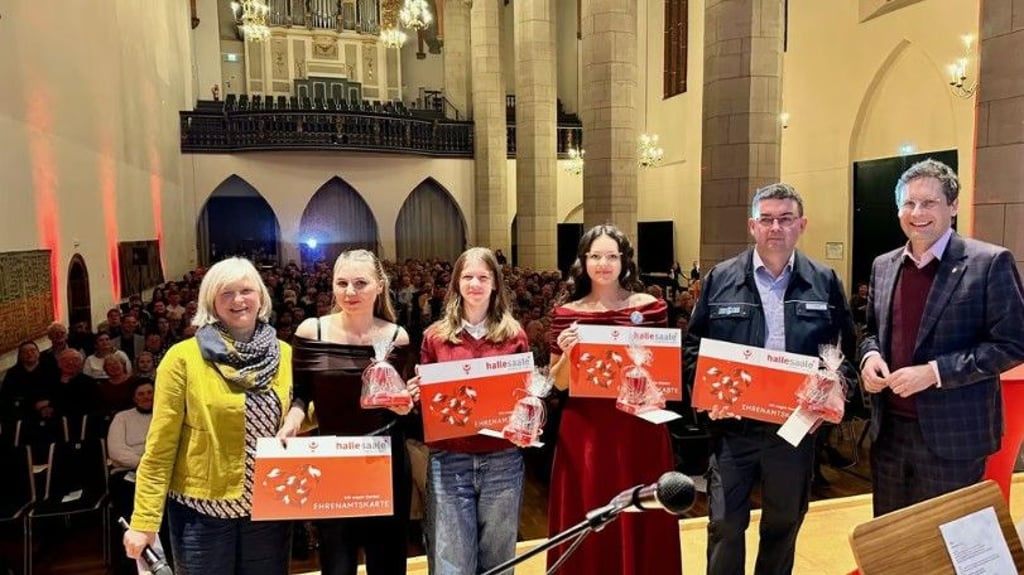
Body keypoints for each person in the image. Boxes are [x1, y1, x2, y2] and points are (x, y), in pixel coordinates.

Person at [683, 183, 857, 575]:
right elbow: (693, 347)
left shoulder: (825, 280)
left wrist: (837, 387)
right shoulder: (720, 278)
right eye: (766, 219)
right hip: (733, 428)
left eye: (785, 219)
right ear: (752, 226)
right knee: (725, 524)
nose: (775, 227)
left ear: (802, 225)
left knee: (784, 523)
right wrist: (706, 395)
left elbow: (846, 351)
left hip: (794, 428)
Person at [858, 159, 1024, 516]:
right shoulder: (883, 266)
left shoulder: (989, 262)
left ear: (953, 206)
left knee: (945, 548)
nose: (917, 213)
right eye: (908, 203)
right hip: (889, 433)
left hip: (954, 437)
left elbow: (1012, 344)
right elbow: (871, 332)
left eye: (929, 203)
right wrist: (870, 358)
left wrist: (934, 372)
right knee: (892, 543)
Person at [124, 257, 294, 574]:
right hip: (201, 512)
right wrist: (144, 521)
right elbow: (160, 447)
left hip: (268, 507)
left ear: (261, 296)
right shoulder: (183, 358)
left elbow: (296, 409)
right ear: (211, 302)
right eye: (226, 293)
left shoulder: (283, 353)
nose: (239, 300)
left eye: (246, 290)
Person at [547, 225, 682, 575]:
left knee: (643, 512)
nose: (603, 263)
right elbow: (558, 384)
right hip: (586, 432)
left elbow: (665, 375)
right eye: (595, 256)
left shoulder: (651, 308)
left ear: (624, 261)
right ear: (583, 261)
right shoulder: (566, 314)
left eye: (611, 256)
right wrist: (567, 354)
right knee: (589, 509)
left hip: (638, 427)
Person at [279, 249, 414, 575]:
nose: (350, 292)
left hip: (384, 458)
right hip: (333, 458)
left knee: (387, 562)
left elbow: (404, 404)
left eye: (360, 283)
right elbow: (302, 397)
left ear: (379, 286)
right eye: (342, 283)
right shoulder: (312, 331)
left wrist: (405, 405)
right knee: (337, 562)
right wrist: (292, 422)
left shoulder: (397, 337)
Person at [413, 247, 530, 574]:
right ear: (456, 284)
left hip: (503, 460)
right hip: (450, 460)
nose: (475, 284)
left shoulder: (514, 335)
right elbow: (430, 406)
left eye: (483, 277)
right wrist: (419, 392)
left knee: (499, 561)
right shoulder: (435, 337)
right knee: (453, 563)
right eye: (468, 277)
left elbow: (522, 398)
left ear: (495, 284)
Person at [107, 379, 160, 575]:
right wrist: (144, 464)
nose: (147, 397)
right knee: (128, 507)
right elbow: (116, 451)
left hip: (160, 473)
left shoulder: (164, 415)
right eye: (141, 394)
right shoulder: (122, 418)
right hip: (128, 473)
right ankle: (129, 565)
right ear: (133, 397)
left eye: (150, 393)